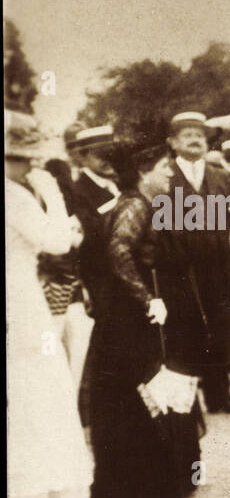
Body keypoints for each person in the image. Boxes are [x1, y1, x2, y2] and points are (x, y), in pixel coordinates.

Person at [81, 142, 205, 498]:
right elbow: (118, 252)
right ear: (143, 172)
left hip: (136, 310)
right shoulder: (135, 204)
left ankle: (147, 477)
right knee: (143, 386)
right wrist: (147, 299)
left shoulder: (141, 203)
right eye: (165, 167)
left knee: (145, 387)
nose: (170, 173)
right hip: (130, 316)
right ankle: (145, 481)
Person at [6, 111, 94, 498]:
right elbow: (57, 242)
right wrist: (55, 196)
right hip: (19, 298)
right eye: (22, 160)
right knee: (31, 385)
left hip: (20, 292)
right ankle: (27, 497)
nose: (28, 168)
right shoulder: (14, 195)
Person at [164, 110, 230, 415]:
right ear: (172, 142)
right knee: (183, 331)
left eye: (200, 135)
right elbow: (165, 227)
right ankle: (184, 402)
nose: (195, 140)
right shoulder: (166, 177)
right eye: (187, 135)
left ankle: (219, 395)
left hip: (218, 269)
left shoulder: (220, 178)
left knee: (222, 329)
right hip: (181, 270)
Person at [63, 124, 122, 402]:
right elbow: (90, 234)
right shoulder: (76, 191)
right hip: (99, 277)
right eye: (100, 154)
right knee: (101, 344)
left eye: (111, 152)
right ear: (83, 157)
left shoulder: (117, 183)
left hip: (123, 275)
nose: (108, 159)